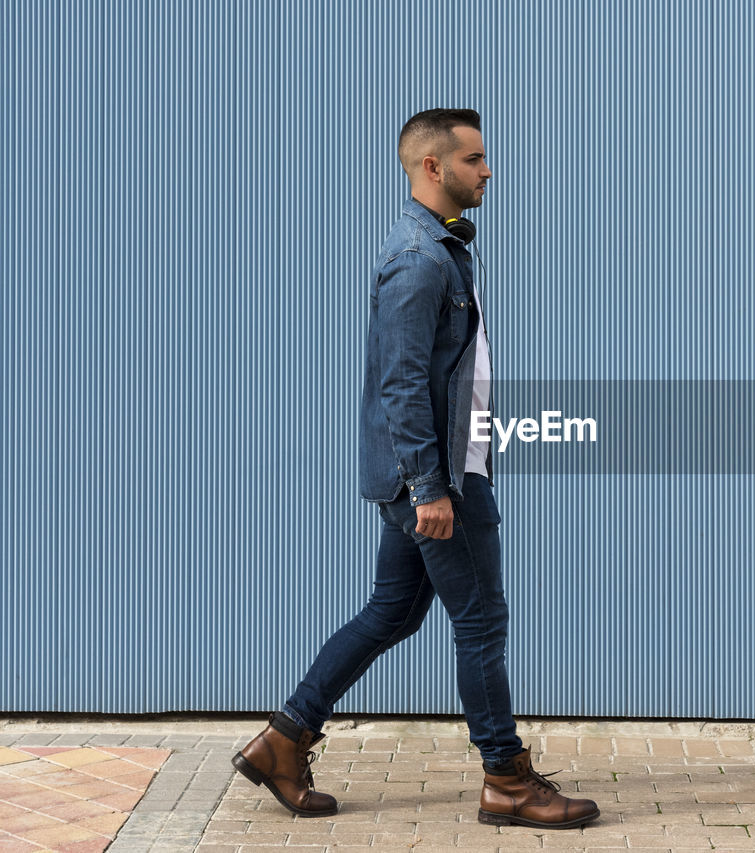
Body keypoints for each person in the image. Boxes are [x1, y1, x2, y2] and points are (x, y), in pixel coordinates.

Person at [231, 108, 599, 830]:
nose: (488, 170)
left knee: (391, 612)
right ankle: (506, 778)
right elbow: (399, 382)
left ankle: (285, 737)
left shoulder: (441, 249)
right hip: (437, 480)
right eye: (474, 159)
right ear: (433, 167)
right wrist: (430, 486)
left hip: (440, 471)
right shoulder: (419, 259)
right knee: (481, 620)